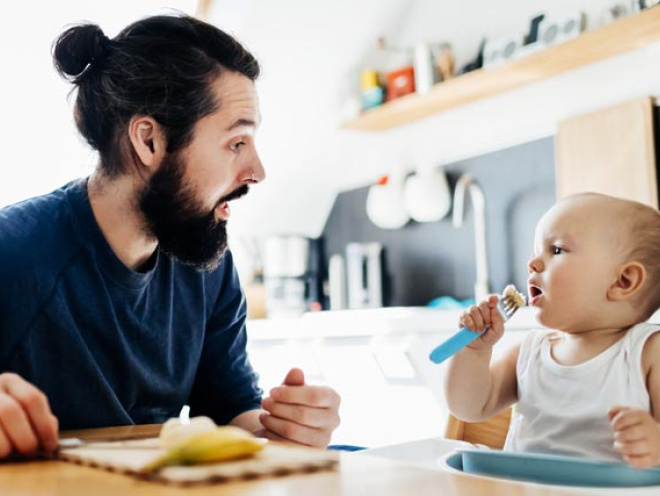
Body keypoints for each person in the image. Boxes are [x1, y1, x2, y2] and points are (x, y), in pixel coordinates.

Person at [0, 13, 340, 458]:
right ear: (149, 141)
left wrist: (286, 428)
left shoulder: (208, 265)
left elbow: (230, 411)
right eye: (237, 143)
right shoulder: (15, 253)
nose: (257, 172)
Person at [444, 192, 660, 468]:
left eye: (556, 250)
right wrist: (475, 351)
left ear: (623, 281)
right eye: (536, 252)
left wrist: (655, 443)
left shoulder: (648, 354)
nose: (532, 263)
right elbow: (470, 407)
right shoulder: (529, 352)